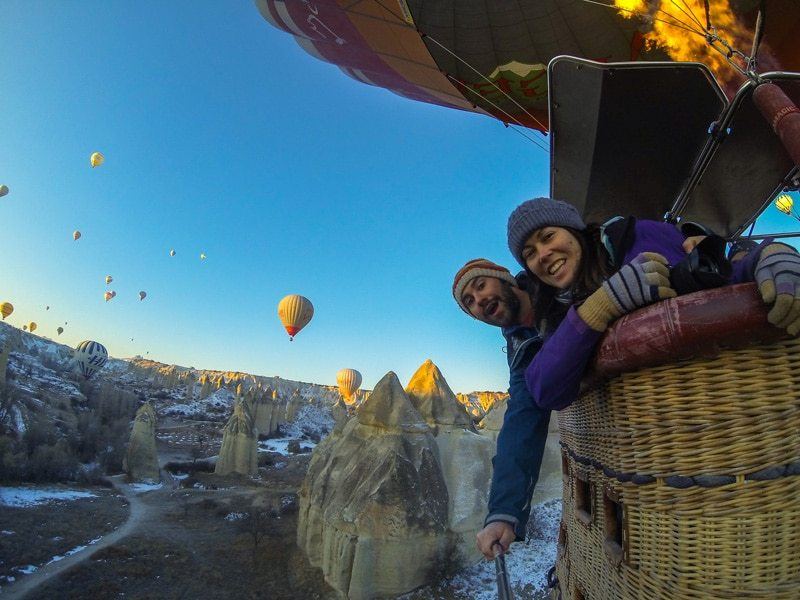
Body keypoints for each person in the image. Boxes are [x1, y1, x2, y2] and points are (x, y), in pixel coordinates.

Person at [505, 197, 800, 411]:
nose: (542, 254)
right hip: (652, 442)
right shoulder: (556, 314)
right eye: (529, 253)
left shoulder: (635, 237)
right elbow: (544, 389)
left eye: (548, 237)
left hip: (730, 399)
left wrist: (770, 255)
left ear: (574, 231)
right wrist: (599, 307)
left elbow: (710, 280)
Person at [452, 258, 549, 560]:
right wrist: (503, 513)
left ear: (505, 278)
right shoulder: (520, 348)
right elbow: (521, 422)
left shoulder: (553, 281)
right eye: (470, 302)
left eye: (481, 286)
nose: (479, 301)